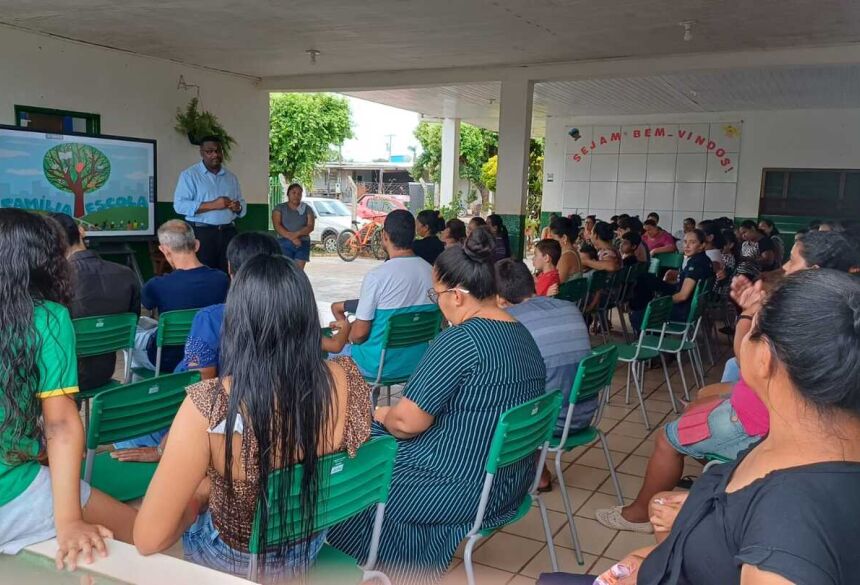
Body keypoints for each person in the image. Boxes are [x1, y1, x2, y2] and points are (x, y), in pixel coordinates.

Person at [577, 269, 860, 585]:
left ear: (765, 357)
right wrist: (690, 528)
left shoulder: (787, 536)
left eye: (751, 328)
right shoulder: (803, 443)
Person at [596, 228, 860, 533]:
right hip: (778, 408)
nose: (785, 268)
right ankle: (713, 465)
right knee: (701, 397)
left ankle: (639, 514)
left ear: (813, 270)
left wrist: (748, 315)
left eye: (792, 260)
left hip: (759, 417)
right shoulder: (842, 306)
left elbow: (748, 361)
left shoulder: (794, 312)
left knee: (667, 439)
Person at [328, 227, 545, 585]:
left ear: (458, 296)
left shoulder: (460, 341)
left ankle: (368, 568)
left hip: (460, 487)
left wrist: (374, 413)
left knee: (355, 481)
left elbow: (406, 423)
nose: (436, 301)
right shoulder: (521, 334)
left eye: (437, 294)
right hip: (509, 482)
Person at [133, 254, 372, 580]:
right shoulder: (347, 377)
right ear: (305, 315)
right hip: (308, 545)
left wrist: (200, 496)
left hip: (232, 558)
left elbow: (149, 539)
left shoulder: (209, 403)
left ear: (237, 320)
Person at [0, 209, 136, 567]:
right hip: (11, 491)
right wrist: (70, 521)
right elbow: (60, 424)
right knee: (140, 531)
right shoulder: (47, 318)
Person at [496, 258, 592, 490]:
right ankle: (538, 471)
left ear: (498, 298)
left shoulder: (512, 322)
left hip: (546, 423)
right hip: (584, 412)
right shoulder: (569, 307)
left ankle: (521, 474)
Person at [330, 210, 435, 380]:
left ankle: (349, 405)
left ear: (385, 236)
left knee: (326, 352)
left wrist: (345, 332)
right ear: (413, 236)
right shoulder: (431, 273)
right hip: (418, 364)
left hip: (375, 365)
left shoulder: (377, 277)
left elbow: (359, 335)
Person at [50, 213, 141, 393]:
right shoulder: (126, 274)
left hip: (60, 377)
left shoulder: (55, 281)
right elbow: (133, 320)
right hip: (105, 374)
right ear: (81, 232)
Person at [132, 220, 230, 374]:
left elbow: (146, 305)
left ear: (164, 250)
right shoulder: (222, 279)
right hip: (208, 358)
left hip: (165, 359)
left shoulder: (156, 285)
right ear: (197, 245)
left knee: (132, 335)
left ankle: (146, 393)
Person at [173, 136, 245, 272]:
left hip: (228, 232)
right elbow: (180, 205)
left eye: (218, 151)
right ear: (201, 152)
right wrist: (213, 205)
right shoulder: (189, 175)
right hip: (202, 234)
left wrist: (238, 207)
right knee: (203, 274)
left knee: (228, 273)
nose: (215, 155)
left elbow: (241, 202)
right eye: (209, 151)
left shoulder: (231, 177)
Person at [271, 183, 315, 270]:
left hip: (302, 242)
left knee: (298, 271)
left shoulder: (307, 208)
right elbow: (277, 226)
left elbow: (310, 226)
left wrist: (297, 234)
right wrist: (292, 238)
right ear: (288, 194)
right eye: (294, 193)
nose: (296, 196)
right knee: (285, 270)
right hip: (284, 241)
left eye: (299, 194)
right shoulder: (280, 208)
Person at [549, 216, 583, 282]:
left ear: (564, 238)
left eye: (553, 238)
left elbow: (554, 284)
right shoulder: (572, 252)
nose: (551, 241)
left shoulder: (567, 257)